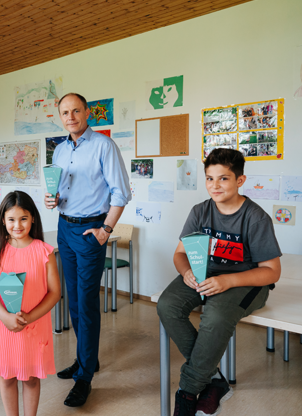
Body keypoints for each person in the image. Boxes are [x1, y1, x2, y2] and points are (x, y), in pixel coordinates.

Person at [157, 148, 281, 416]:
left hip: (247, 282)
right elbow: (180, 253)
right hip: (205, 275)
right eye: (210, 178)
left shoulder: (256, 217)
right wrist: (186, 271)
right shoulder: (200, 211)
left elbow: (271, 271)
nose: (215, 186)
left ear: (240, 180)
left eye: (223, 178)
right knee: (167, 305)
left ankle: (187, 391)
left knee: (214, 316)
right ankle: (214, 380)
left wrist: (227, 281)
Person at [44, 93, 131, 407]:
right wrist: (53, 200)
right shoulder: (60, 149)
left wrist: (105, 230)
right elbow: (60, 189)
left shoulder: (104, 146)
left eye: (75, 111)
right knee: (73, 297)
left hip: (91, 229)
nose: (70, 117)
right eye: (65, 112)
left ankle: (85, 377)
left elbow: (121, 193)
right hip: (64, 227)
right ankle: (87, 360)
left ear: (87, 113)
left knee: (87, 300)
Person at [0, 191, 61, 416]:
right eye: (11, 219)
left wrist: (30, 318)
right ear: (3, 220)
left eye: (23, 218)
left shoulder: (44, 251)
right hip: (2, 324)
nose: (17, 225)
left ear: (33, 218)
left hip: (34, 326)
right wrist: (6, 317)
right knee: (7, 377)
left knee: (32, 378)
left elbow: (55, 292)